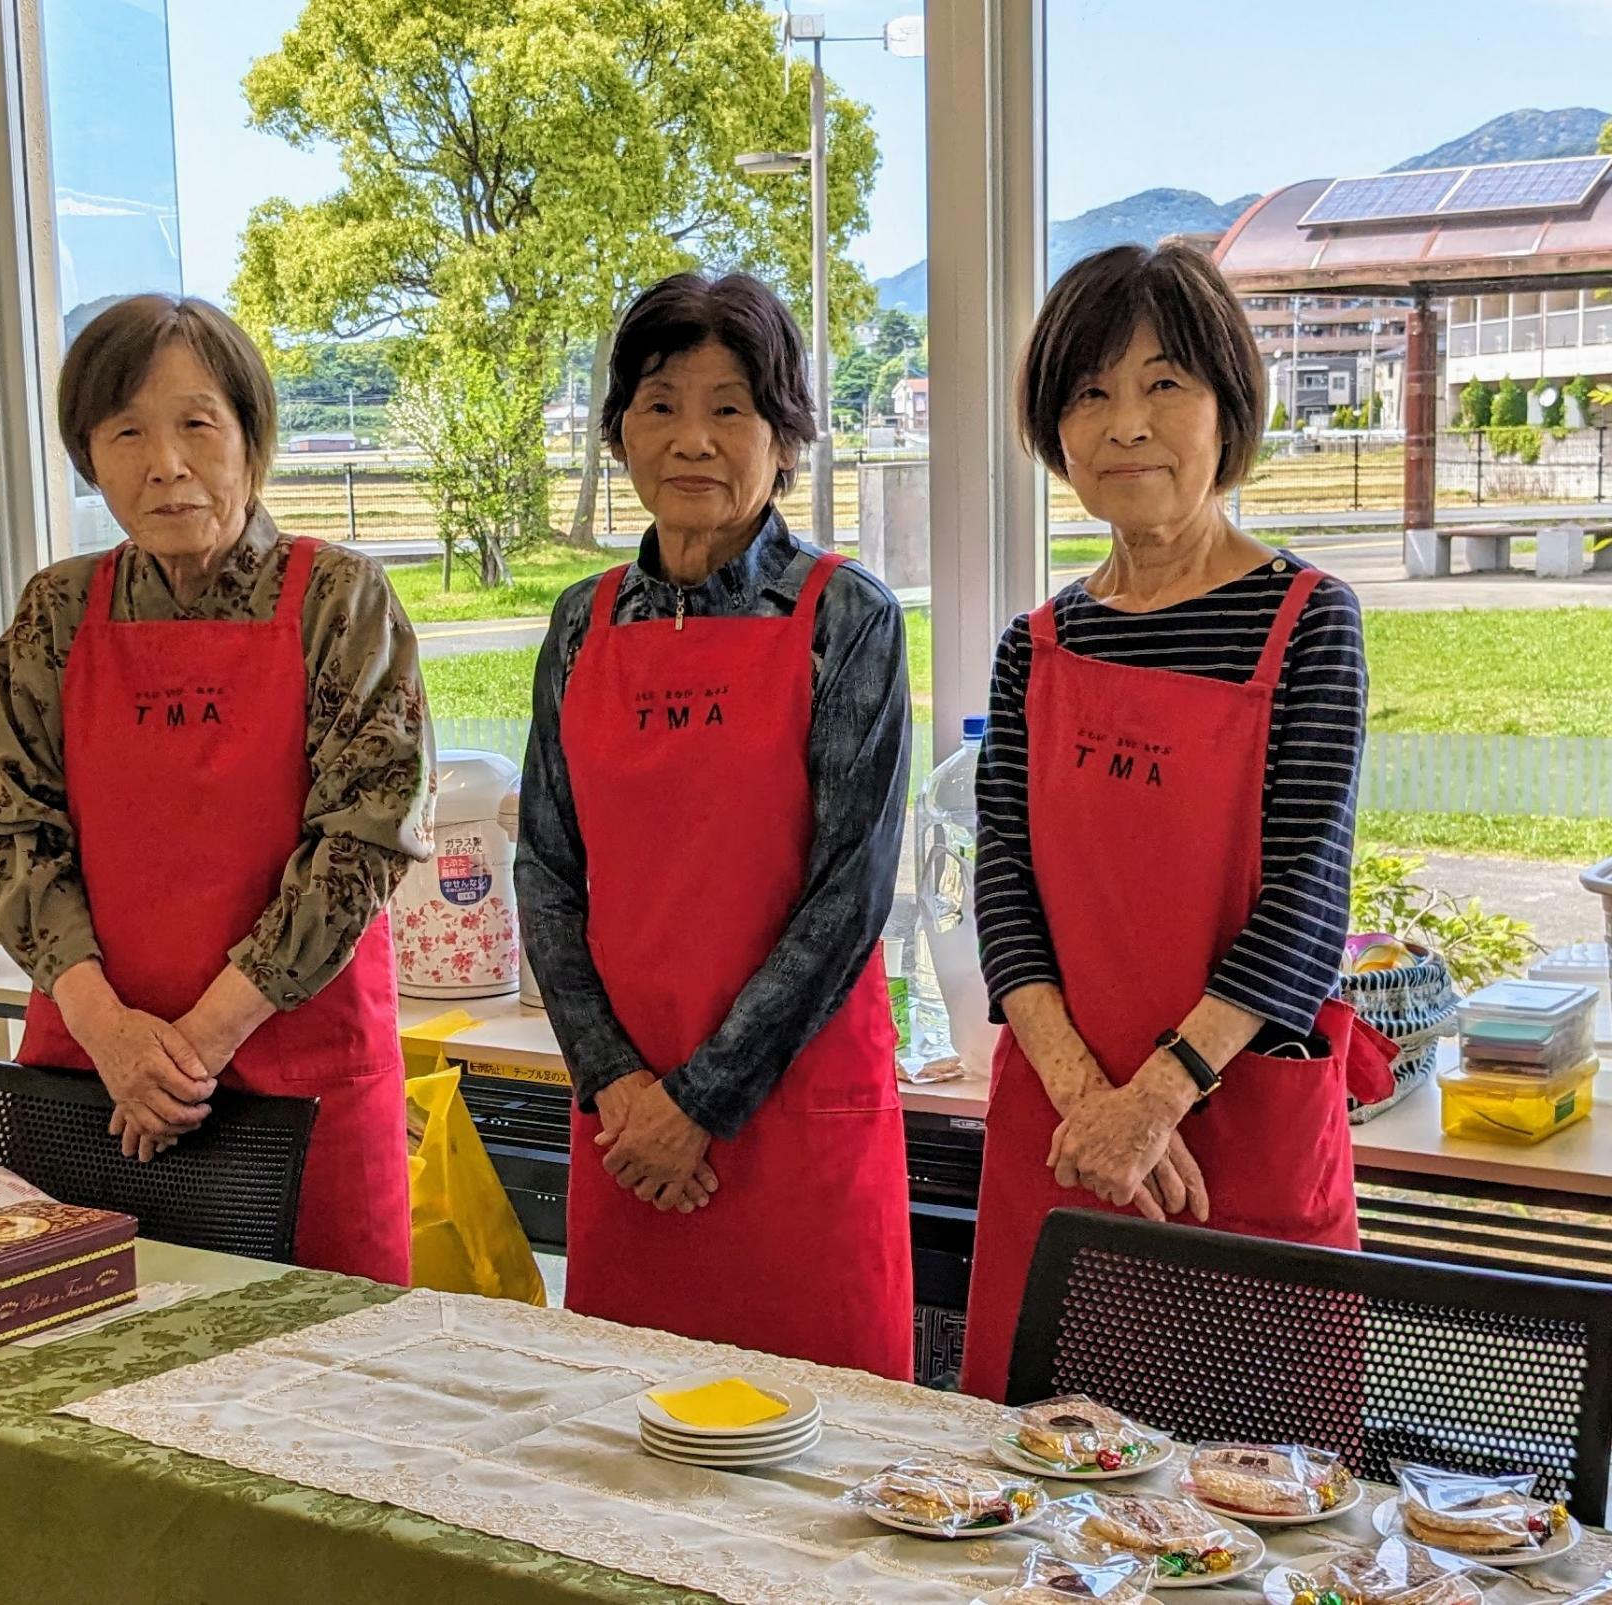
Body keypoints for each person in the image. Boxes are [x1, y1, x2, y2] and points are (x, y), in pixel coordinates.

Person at [957, 244, 1394, 1400]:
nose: (1124, 424)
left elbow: (1307, 899)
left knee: (1263, 1500)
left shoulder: (1307, 622)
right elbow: (1003, 889)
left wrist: (1153, 1100)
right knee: (1037, 1497)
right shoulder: (1033, 645)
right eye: (1089, 393)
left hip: (1236, 1125)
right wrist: (1088, 1104)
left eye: (1163, 385)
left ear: (1227, 408)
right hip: (1060, 1124)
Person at [0, 294, 432, 1285]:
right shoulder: (55, 612)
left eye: (195, 424)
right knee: (84, 1383)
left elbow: (364, 839)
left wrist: (188, 1048)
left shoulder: (338, 601)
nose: (163, 463)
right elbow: (15, 830)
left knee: (319, 1384)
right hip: (93, 1068)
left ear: (251, 439)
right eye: (125, 430)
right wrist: (112, 1035)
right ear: (89, 456)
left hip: (296, 1073)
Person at [517, 272, 915, 1380]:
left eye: (729, 406)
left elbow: (848, 893)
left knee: (824, 1473)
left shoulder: (846, 615)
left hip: (786, 1119)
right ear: (617, 433)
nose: (690, 438)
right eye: (658, 404)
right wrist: (620, 1089)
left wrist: (697, 1105)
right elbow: (546, 870)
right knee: (625, 1464)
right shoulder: (579, 622)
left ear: (785, 434)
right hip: (625, 1123)